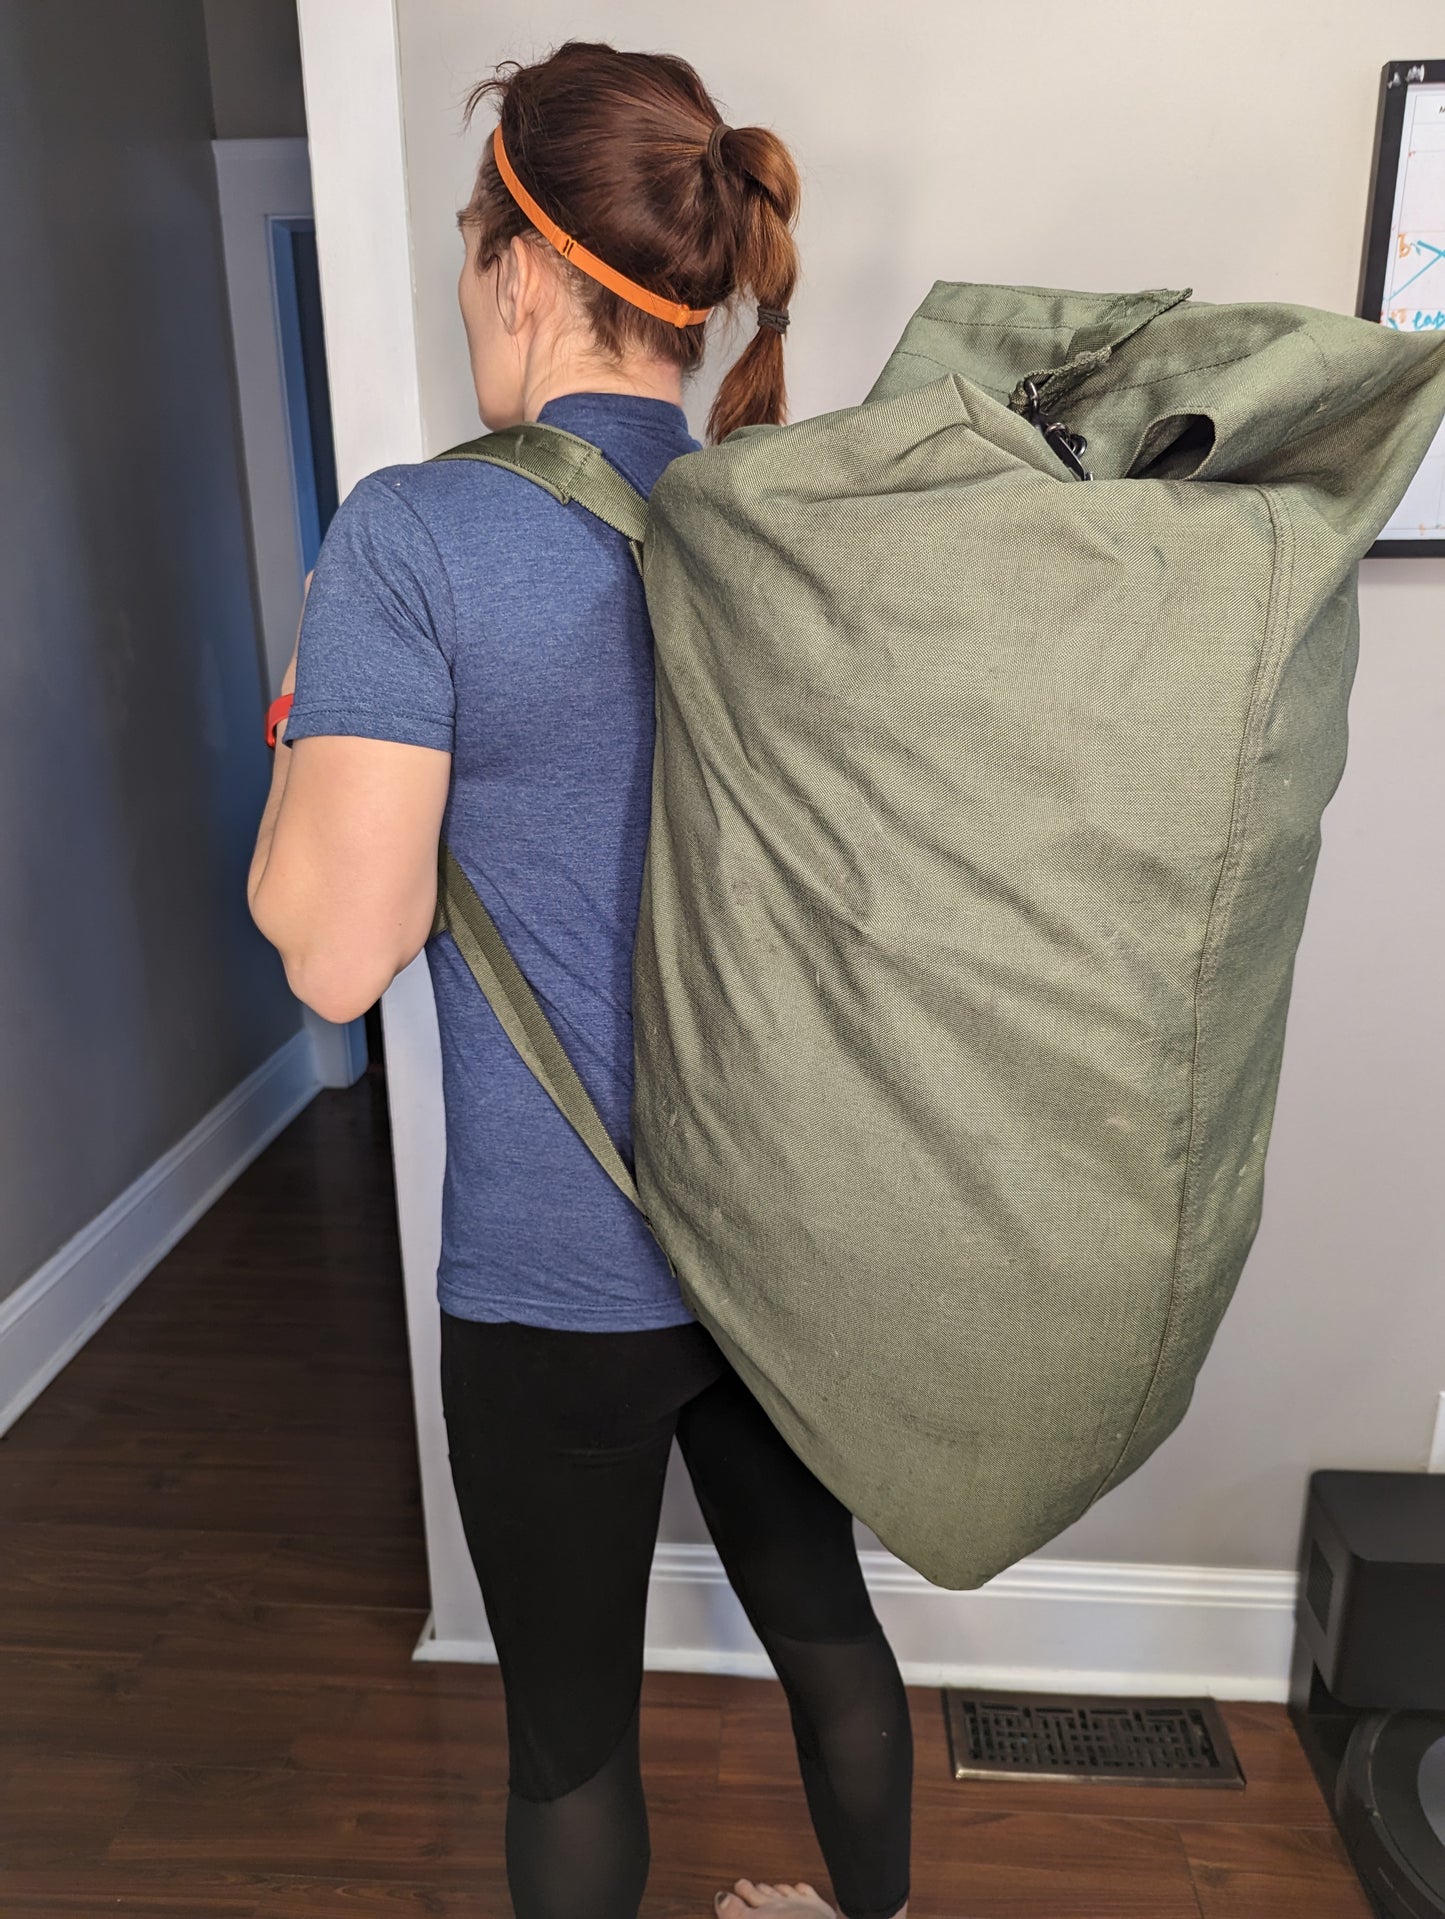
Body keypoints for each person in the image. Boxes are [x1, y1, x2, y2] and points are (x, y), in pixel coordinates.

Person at [247, 40, 913, 1919]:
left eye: (471, 253)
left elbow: (333, 952)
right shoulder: (786, 530)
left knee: (569, 1750)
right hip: (774, 1244)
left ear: (515, 265)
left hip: (557, 1277)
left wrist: (304, 748)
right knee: (837, 1653)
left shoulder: (418, 536)